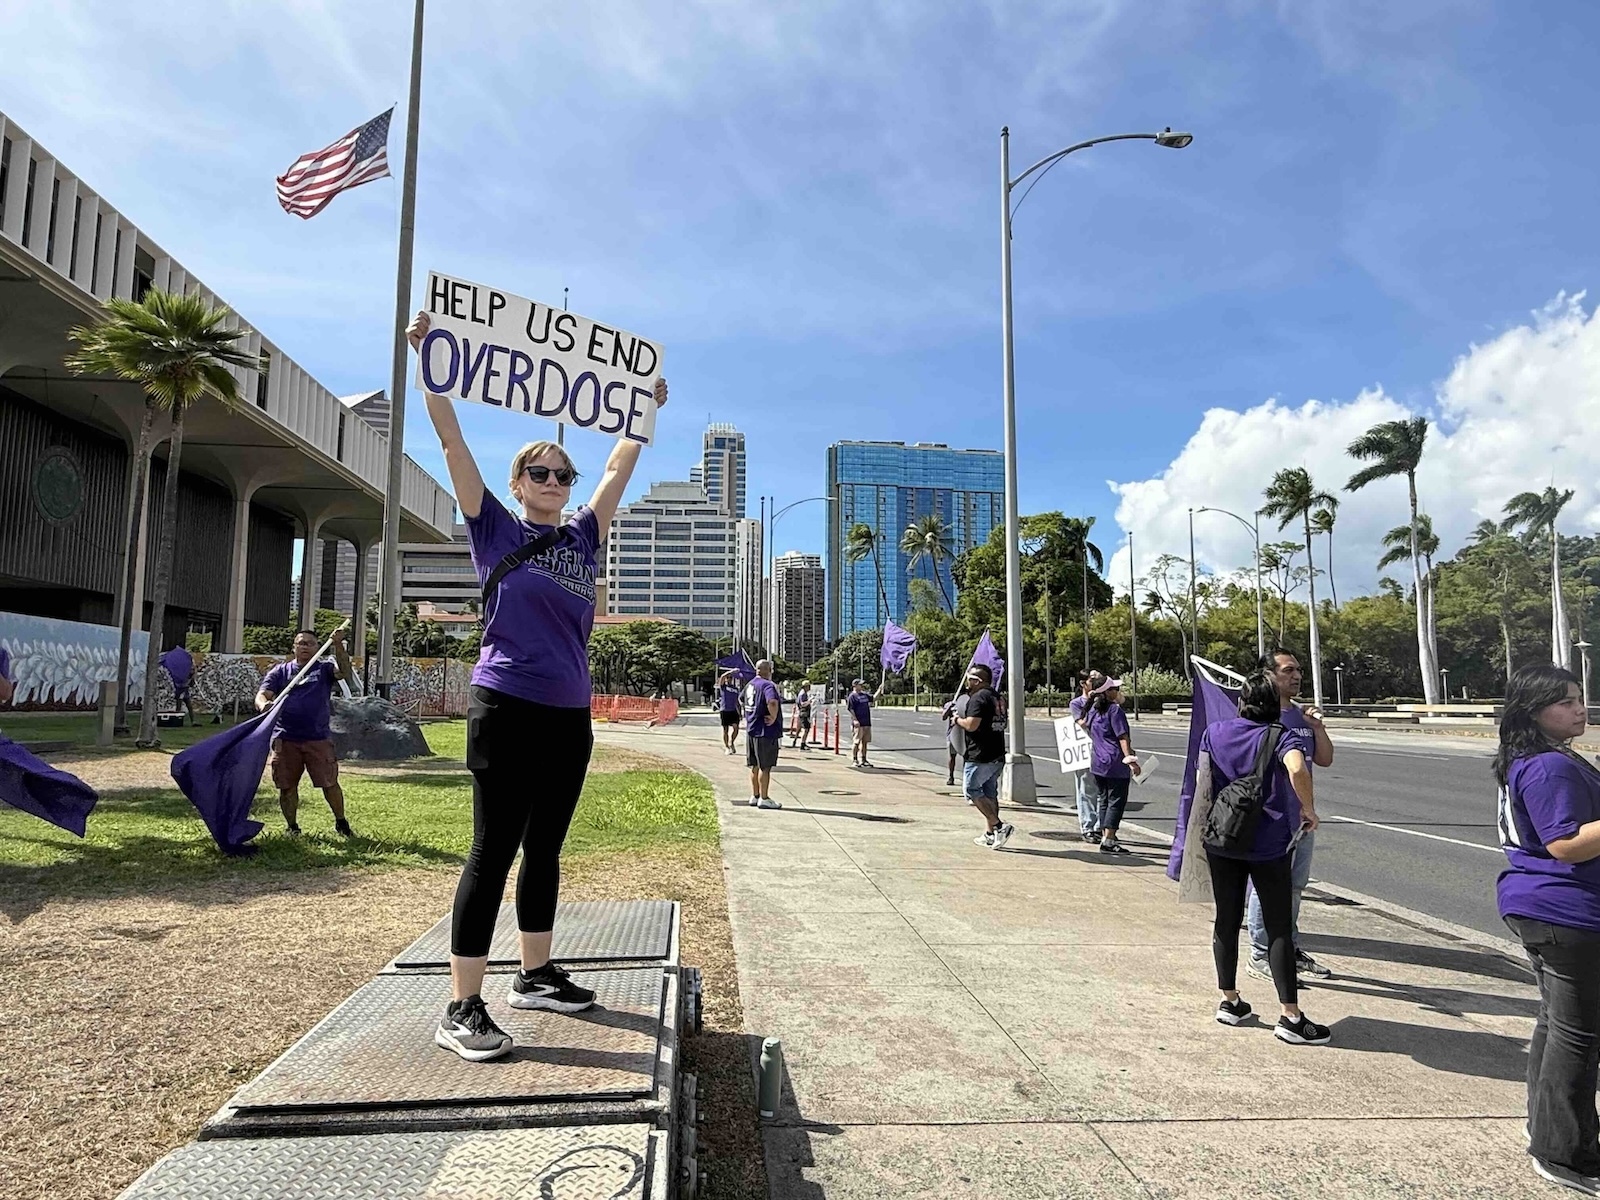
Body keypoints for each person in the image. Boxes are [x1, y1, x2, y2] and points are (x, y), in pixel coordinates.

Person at [407, 309, 667, 1063]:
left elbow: (619, 468)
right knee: (493, 850)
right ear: (519, 481)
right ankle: (462, 1006)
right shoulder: (493, 527)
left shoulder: (584, 534)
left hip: (566, 716)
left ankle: (536, 973)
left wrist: (644, 406)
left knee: (547, 847)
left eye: (562, 475)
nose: (553, 482)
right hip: (505, 706)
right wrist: (432, 365)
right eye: (540, 473)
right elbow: (453, 442)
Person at [1495, 664, 1600, 1193]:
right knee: (1580, 1037)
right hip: (1566, 911)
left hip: (1548, 908)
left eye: (1580, 698)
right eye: (1566, 702)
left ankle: (1546, 1128)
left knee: (1557, 1027)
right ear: (1534, 712)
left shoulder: (1542, 758)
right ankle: (1566, 1153)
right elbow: (1565, 844)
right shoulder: (1548, 766)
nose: (1580, 708)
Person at [1199, 669, 1329, 1046]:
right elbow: (1298, 767)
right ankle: (1290, 1015)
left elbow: (1203, 779)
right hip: (1267, 841)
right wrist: (1308, 808)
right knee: (1278, 926)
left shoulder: (1216, 732)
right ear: (1274, 705)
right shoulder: (1281, 735)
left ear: (1241, 702)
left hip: (1223, 837)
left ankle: (1230, 1001)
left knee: (1227, 918)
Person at [1245, 649, 1335, 983]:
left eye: (1298, 670)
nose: (1296, 676)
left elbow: (1323, 760)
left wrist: (1317, 727)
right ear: (1268, 675)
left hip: (1301, 820)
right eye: (1287, 670)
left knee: (1295, 887)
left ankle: (1288, 947)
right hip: (1270, 816)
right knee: (1265, 887)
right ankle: (1260, 951)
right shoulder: (1259, 717)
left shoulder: (1301, 716)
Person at [255, 627, 354, 839]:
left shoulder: (324, 669)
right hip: (285, 738)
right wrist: (263, 705)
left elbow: (344, 672)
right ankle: (292, 827)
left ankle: (341, 822)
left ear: (317, 647)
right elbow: (262, 694)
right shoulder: (280, 671)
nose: (305, 647)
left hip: (317, 738)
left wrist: (337, 645)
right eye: (301, 643)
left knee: (329, 783)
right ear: (294, 647)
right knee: (286, 786)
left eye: (310, 643)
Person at [955, 663, 1012, 849]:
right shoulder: (998, 697)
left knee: (971, 790)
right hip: (997, 752)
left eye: (970, 679)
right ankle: (990, 834)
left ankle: (999, 826)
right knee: (989, 792)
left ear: (977, 681)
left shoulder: (978, 698)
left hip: (980, 754)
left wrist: (956, 720)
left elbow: (971, 725)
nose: (967, 682)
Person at [1084, 677, 1140, 854]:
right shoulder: (1115, 711)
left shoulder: (1092, 710)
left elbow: (1089, 728)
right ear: (1107, 692)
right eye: (1114, 688)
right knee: (1116, 801)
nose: (1117, 691)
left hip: (1098, 762)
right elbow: (1122, 737)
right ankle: (1109, 840)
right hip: (1115, 762)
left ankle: (1104, 835)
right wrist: (1131, 760)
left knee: (1103, 800)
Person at [1071, 669, 1105, 843]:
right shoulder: (1077, 703)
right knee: (1086, 790)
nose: (1097, 683)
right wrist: (1091, 701)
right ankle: (1088, 826)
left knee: (1102, 791)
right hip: (1085, 751)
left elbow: (1121, 700)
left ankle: (1101, 826)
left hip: (1103, 751)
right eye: (1093, 680)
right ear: (1083, 684)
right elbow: (1082, 722)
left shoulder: (1106, 700)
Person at [744, 659, 783, 808]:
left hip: (752, 729)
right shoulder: (768, 685)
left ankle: (755, 795)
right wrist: (773, 717)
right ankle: (764, 798)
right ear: (768, 670)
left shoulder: (750, 684)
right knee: (765, 767)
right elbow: (772, 702)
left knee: (754, 765)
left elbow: (742, 700)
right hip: (765, 731)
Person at [160, 644, 197, 726]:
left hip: (184, 689)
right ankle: (178, 721)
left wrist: (192, 676)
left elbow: (191, 684)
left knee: (188, 705)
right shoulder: (182, 673)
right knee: (180, 705)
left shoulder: (187, 674)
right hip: (180, 689)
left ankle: (191, 721)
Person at [943, 691, 969, 787]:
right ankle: (951, 776)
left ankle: (965, 778)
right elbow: (943, 717)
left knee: (966, 757)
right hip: (953, 734)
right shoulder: (950, 704)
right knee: (952, 756)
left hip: (965, 734)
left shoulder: (967, 703)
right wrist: (949, 708)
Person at [847, 679, 874, 767]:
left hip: (866, 721)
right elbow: (850, 709)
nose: (861, 686)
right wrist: (855, 720)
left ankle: (864, 759)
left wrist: (879, 691)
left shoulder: (864, 694)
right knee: (856, 742)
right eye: (860, 685)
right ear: (855, 685)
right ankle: (855, 759)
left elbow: (873, 699)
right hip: (858, 722)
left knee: (865, 742)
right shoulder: (852, 696)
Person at [717, 670, 742, 755]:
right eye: (728, 678)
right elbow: (722, 677)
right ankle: (727, 747)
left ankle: (732, 742)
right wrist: (731, 671)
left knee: (736, 728)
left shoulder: (735, 689)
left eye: (730, 678)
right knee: (725, 730)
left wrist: (740, 712)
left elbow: (737, 702)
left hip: (733, 710)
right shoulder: (723, 687)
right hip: (724, 710)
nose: (729, 679)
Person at [791, 682, 814, 749]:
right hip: (804, 713)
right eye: (808, 686)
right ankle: (803, 743)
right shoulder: (803, 694)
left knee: (799, 728)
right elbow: (802, 704)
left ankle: (795, 741)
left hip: (801, 713)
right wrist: (809, 701)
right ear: (805, 687)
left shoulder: (802, 693)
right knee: (806, 729)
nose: (809, 688)